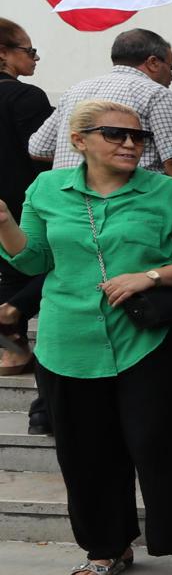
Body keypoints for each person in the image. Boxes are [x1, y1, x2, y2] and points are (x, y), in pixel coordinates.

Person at [0, 101, 172, 575]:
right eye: (115, 135)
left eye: (137, 138)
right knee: (84, 450)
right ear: (78, 141)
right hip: (66, 340)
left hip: (147, 337)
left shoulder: (168, 192)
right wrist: (4, 225)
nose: (129, 145)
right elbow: (33, 262)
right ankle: (107, 545)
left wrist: (150, 275)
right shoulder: (47, 189)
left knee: (152, 440)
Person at [27, 30, 172, 181]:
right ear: (153, 62)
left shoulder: (75, 90)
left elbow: (39, 148)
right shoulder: (158, 94)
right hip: (130, 203)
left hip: (68, 201)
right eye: (171, 68)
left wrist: (83, 159)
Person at [0, 20, 52, 381]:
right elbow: (47, 152)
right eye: (29, 51)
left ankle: (13, 353)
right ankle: (13, 314)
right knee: (56, 266)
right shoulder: (25, 98)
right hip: (22, 205)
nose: (35, 59)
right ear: (3, 53)